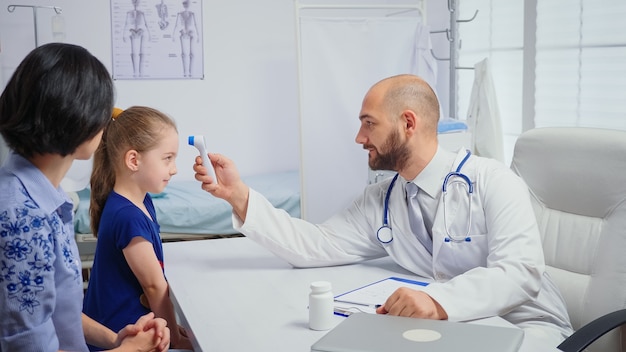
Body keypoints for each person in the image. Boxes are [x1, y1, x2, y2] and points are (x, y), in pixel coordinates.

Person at [192, 74, 574, 348]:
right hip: (454, 330)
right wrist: (238, 195)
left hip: (525, 329)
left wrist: (438, 301)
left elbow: (520, 273)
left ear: (408, 123)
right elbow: (314, 246)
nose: (360, 138)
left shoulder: (492, 180)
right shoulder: (383, 199)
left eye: (368, 124)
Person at [0, 43, 170, 351]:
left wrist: (116, 338)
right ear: (79, 118)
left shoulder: (46, 198)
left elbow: (51, 314)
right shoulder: (23, 219)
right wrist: (131, 350)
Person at [83, 106, 193, 351]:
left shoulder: (141, 201)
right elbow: (154, 286)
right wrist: (174, 338)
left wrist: (174, 329)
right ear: (134, 160)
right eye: (168, 158)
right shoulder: (127, 217)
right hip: (121, 333)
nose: (174, 168)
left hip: (131, 322)